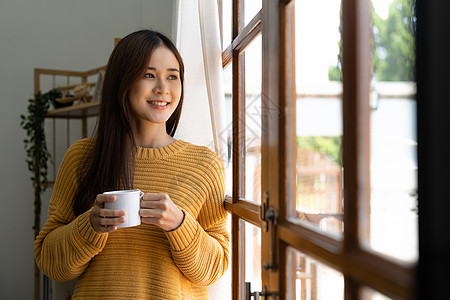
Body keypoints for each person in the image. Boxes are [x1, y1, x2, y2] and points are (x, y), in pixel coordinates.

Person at [34, 29, 229, 299]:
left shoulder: (204, 164)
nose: (163, 88)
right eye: (149, 75)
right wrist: (89, 226)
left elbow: (215, 268)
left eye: (172, 76)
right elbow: (50, 262)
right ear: (123, 82)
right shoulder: (82, 157)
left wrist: (179, 225)